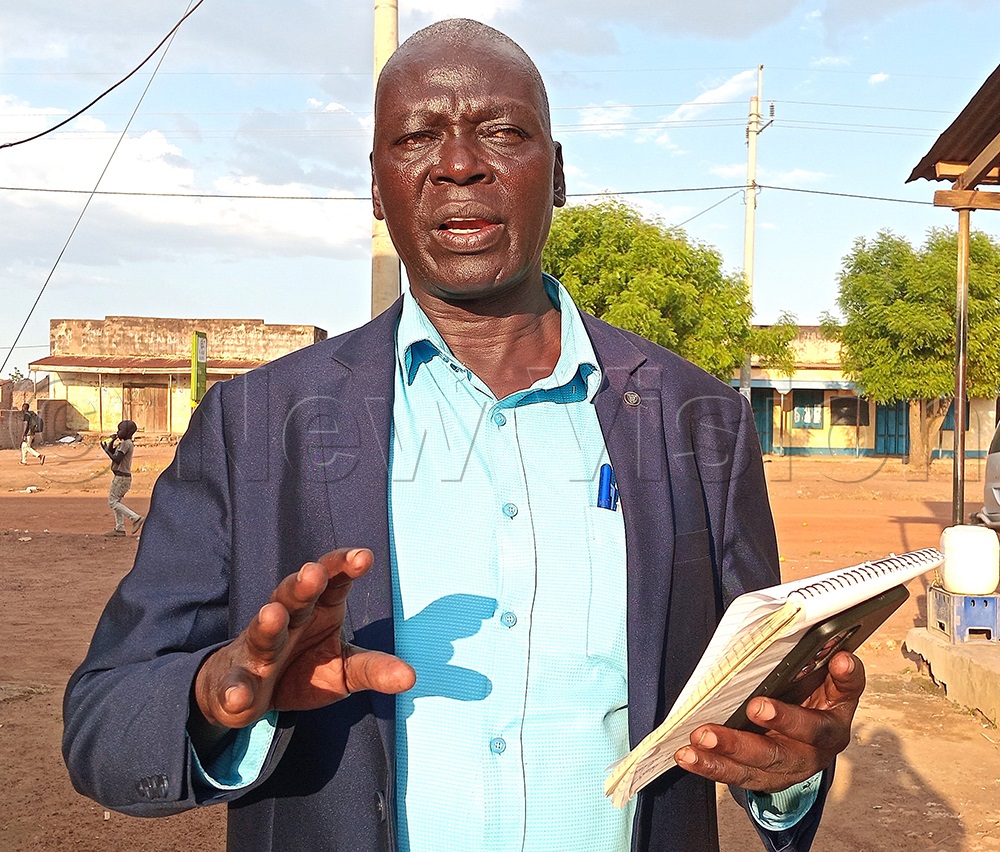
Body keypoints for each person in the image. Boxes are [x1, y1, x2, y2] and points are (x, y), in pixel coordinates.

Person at [63, 19, 863, 852]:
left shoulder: (700, 422)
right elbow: (101, 719)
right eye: (416, 138)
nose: (457, 164)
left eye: (502, 132)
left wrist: (790, 770)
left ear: (555, 174)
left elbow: (759, 708)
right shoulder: (254, 428)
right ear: (378, 188)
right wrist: (212, 692)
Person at [99, 419, 144, 537]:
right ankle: (120, 528)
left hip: (121, 478)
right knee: (116, 501)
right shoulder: (125, 443)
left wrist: (105, 450)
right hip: (122, 477)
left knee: (113, 502)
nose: (118, 432)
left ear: (127, 432)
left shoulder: (125, 444)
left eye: (120, 430)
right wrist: (111, 442)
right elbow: (113, 452)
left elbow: (116, 458)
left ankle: (135, 518)